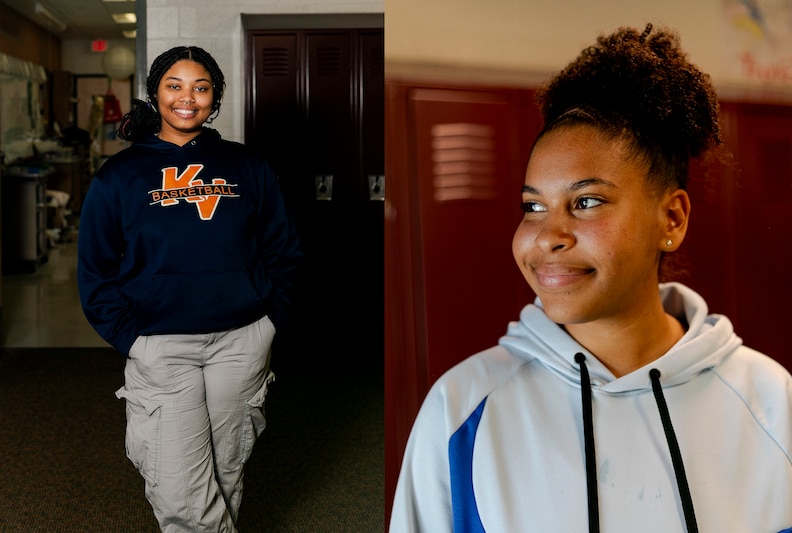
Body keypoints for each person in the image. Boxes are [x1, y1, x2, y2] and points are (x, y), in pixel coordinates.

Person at [389, 24, 792, 533]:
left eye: (586, 202)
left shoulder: (773, 402)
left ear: (671, 219)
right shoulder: (462, 407)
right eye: (533, 206)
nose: (547, 235)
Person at [78, 46, 303, 532]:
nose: (188, 98)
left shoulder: (248, 167)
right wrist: (131, 338)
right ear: (155, 93)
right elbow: (95, 270)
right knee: (180, 487)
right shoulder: (119, 176)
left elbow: (283, 250)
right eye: (174, 86)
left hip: (241, 341)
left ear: (215, 97)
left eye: (200, 87)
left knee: (225, 473)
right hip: (160, 344)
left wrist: (270, 321)